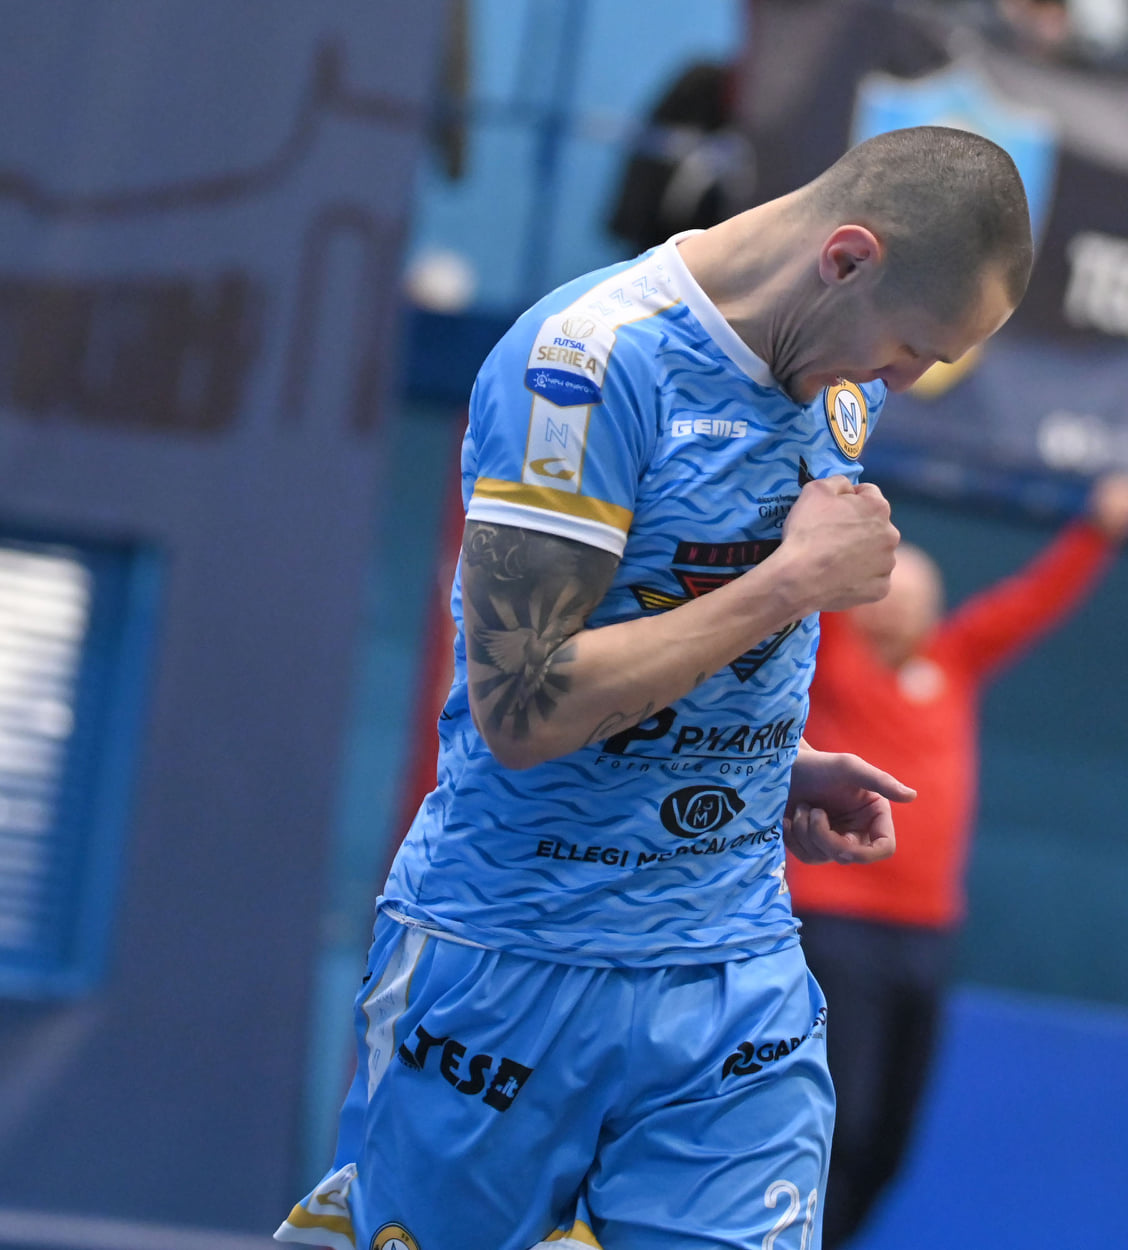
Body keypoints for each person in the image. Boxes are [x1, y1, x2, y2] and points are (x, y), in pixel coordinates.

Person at [277, 125, 1033, 1250]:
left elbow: (684, 622)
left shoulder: (838, 386)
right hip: (513, 957)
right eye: (912, 351)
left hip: (733, 964)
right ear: (847, 259)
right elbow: (521, 704)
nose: (901, 385)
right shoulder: (584, 366)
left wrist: (763, 765)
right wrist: (791, 585)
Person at [789, 472, 1128, 1247]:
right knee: (841, 1120)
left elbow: (1031, 603)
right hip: (836, 924)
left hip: (926, 934)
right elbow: (805, 586)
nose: (898, 609)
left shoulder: (953, 665)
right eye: (885, 593)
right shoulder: (831, 661)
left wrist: (1097, 532)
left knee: (889, 1141)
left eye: (914, 598)